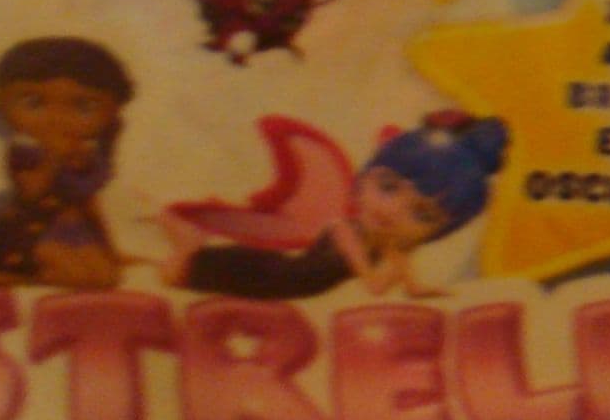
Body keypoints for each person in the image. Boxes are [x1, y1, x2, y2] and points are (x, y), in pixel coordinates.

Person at [165, 111, 509, 300]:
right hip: (272, 276)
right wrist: (400, 261)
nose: (391, 210)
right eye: (388, 187)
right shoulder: (345, 231)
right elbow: (374, 286)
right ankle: (183, 240)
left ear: (442, 228)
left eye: (422, 213)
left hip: (286, 289)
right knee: (177, 274)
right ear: (366, 176)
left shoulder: (389, 244)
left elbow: (410, 285)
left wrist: (421, 287)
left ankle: (187, 243)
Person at [0, 36, 134, 289]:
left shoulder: (87, 159)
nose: (57, 118)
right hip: (31, 232)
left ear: (111, 114)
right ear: (2, 106)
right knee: (78, 277)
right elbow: (30, 195)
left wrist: (109, 249)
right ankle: (14, 277)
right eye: (34, 103)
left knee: (106, 277)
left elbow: (90, 204)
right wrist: (53, 159)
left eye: (83, 106)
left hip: (75, 232)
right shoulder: (22, 154)